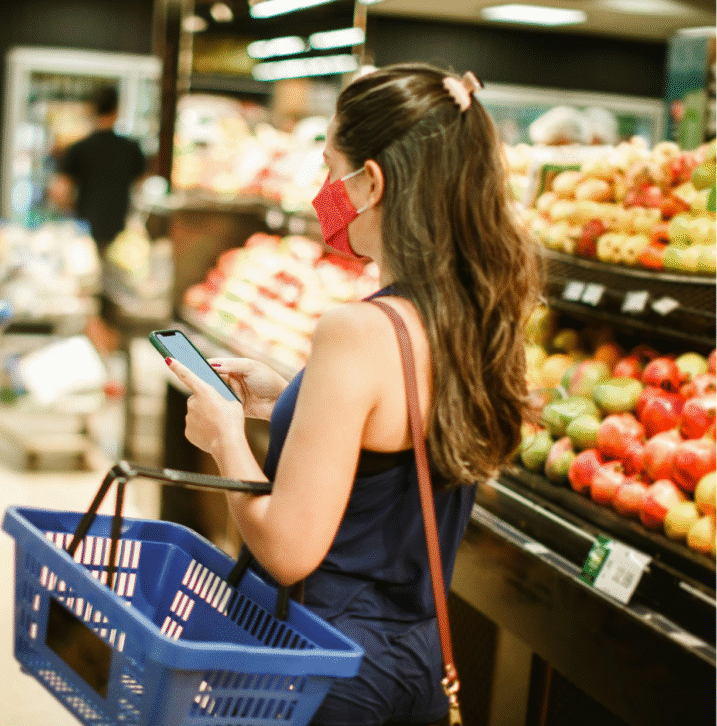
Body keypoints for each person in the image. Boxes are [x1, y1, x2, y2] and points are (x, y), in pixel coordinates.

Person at [164, 63, 541, 726]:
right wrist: (289, 399)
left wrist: (225, 437)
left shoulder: (357, 329)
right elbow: (391, 441)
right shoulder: (472, 318)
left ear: (372, 181)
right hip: (415, 664)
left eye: (328, 166)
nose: (321, 190)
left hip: (320, 671)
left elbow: (287, 550)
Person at [49, 85, 146, 354]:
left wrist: (71, 208)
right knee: (114, 298)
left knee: (87, 296)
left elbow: (59, 191)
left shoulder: (80, 148)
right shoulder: (131, 148)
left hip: (85, 234)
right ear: (117, 111)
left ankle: (96, 349)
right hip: (122, 237)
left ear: (92, 110)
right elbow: (143, 185)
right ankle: (111, 348)